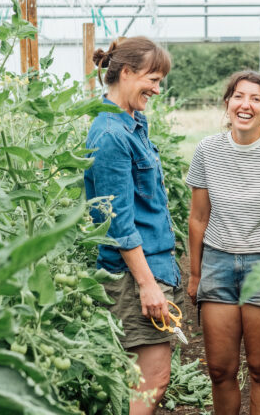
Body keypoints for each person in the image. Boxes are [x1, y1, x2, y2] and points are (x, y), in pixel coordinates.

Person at [186, 70, 260, 415]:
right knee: (220, 370)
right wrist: (195, 274)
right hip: (218, 263)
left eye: (255, 99)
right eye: (239, 96)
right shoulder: (208, 150)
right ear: (228, 103)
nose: (246, 104)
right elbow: (198, 218)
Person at [84, 36, 182, 415]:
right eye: (153, 80)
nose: (157, 89)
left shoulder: (131, 123)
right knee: (152, 379)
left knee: (148, 378)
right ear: (126, 73)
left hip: (151, 267)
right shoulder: (110, 134)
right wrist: (148, 286)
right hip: (134, 275)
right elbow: (117, 222)